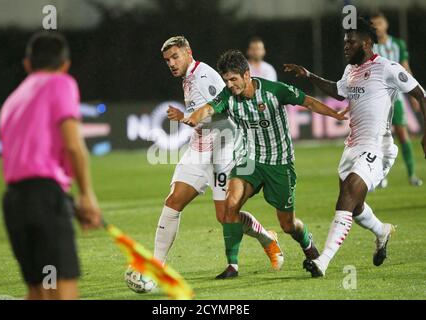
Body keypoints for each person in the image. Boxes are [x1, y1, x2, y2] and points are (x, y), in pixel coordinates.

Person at [182, 50, 347, 274]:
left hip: (280, 163)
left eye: (234, 79)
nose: (230, 85)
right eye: (226, 80)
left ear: (247, 75)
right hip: (249, 160)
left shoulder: (274, 90)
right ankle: (232, 265)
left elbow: (307, 102)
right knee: (231, 204)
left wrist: (336, 115)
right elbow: (210, 107)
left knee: (288, 224)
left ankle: (307, 245)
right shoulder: (228, 96)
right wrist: (194, 117)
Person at [284, 17, 426, 277]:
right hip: (352, 147)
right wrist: (308, 75)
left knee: (347, 195)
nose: (346, 47)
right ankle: (382, 230)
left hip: (378, 148)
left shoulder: (387, 68)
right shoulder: (351, 71)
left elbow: (421, 94)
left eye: (351, 42)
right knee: (356, 205)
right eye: (345, 42)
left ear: (367, 43)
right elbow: (339, 91)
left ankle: (322, 261)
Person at [156, 36, 282, 280]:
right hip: (200, 147)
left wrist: (185, 117)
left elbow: (224, 113)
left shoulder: (203, 76)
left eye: (175, 57)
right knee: (173, 202)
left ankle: (267, 237)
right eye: (167, 60)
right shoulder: (188, 77)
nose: (171, 63)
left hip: (223, 148)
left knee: (225, 216)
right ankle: (156, 266)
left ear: (188, 52)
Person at [0, 31, 102, 299]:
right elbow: (73, 144)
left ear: (27, 64)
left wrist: (63, 200)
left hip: (14, 203)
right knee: (61, 292)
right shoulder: (61, 83)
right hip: (44, 200)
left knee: (37, 292)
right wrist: (86, 195)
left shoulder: (12, 100)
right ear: (65, 64)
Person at [370, 12, 422, 187]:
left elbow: (406, 70)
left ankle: (412, 175)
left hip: (396, 98)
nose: (376, 26)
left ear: (386, 25)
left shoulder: (398, 44)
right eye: (373, 24)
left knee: (402, 134)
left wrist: (414, 95)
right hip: (377, 99)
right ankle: (380, 176)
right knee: (378, 138)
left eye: (379, 23)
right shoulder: (369, 45)